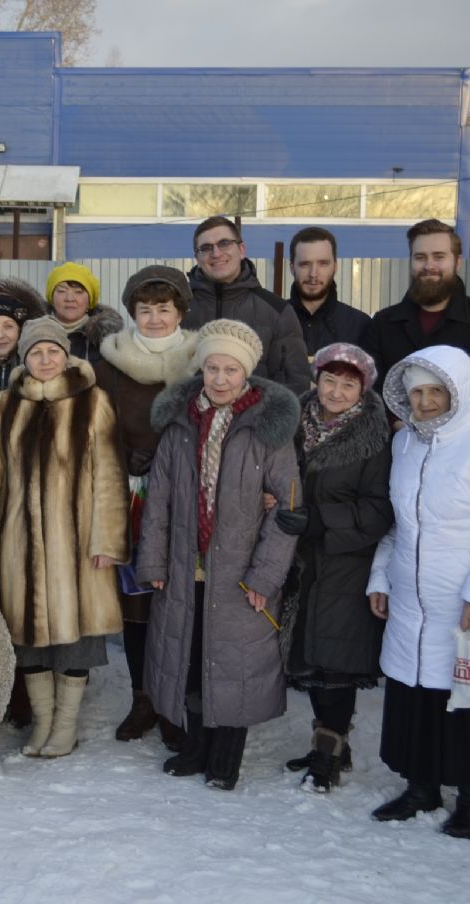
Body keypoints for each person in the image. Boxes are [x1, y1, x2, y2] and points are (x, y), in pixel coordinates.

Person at [366, 346, 470, 839]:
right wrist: (381, 576)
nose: (426, 401)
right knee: (417, 696)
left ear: (457, 391)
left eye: (435, 390)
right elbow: (400, 525)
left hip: (468, 607)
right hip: (414, 605)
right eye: (416, 392)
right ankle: (421, 789)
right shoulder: (405, 446)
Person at [136, 320, 302, 791]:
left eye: (231, 369)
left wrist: (264, 579)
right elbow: (160, 501)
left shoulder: (268, 432)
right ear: (201, 369)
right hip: (186, 569)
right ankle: (195, 748)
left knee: (234, 665)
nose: (221, 379)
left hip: (241, 573)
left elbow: (287, 510)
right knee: (190, 658)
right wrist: (153, 563)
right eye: (213, 368)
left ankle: (225, 757)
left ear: (246, 373)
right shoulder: (180, 426)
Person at [0, 317, 129, 758]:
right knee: (26, 632)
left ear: (66, 354)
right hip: (20, 541)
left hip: (77, 543)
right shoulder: (6, 405)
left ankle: (66, 726)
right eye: (36, 352)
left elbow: (110, 475)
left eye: (53, 351)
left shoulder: (93, 402)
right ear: (24, 358)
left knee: (76, 635)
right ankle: (43, 723)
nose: (46, 359)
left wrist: (107, 541)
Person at [92, 265, 201, 745]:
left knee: (178, 603)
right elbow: (95, 428)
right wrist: (122, 456)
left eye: (164, 309)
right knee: (138, 603)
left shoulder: (203, 359)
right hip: (131, 494)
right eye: (145, 309)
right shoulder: (111, 363)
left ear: (180, 311)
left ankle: (176, 700)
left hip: (189, 498)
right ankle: (143, 698)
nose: (155, 319)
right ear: (131, 312)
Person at [283, 342, 393, 792]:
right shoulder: (294, 421)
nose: (336, 391)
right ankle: (329, 745)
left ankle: (327, 754)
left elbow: (379, 509)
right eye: (330, 380)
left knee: (336, 662)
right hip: (300, 559)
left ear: (363, 388)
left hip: (345, 561)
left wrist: (319, 520)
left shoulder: (374, 435)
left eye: (348, 384)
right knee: (310, 657)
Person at [360, 219, 470, 423]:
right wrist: (399, 424)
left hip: (463, 447)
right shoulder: (384, 323)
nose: (429, 266)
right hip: (398, 444)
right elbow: (370, 390)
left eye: (439, 257)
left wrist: (452, 431)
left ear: (457, 262)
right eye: (420, 257)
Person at [181, 216, 311, 392]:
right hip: (188, 419)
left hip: (255, 418)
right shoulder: (177, 307)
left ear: (241, 250)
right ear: (197, 257)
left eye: (224, 243)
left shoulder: (277, 311)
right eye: (205, 248)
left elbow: (294, 385)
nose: (216, 253)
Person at [288, 227, 371, 357]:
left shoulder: (360, 326)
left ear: (335, 267)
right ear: (292, 268)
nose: (313, 273)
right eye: (305, 264)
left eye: (323, 263)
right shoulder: (271, 321)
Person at [46, 262, 123, 365]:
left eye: (78, 292)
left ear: (90, 301)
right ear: (51, 297)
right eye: (61, 291)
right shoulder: (32, 332)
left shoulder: (108, 340)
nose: (69, 298)